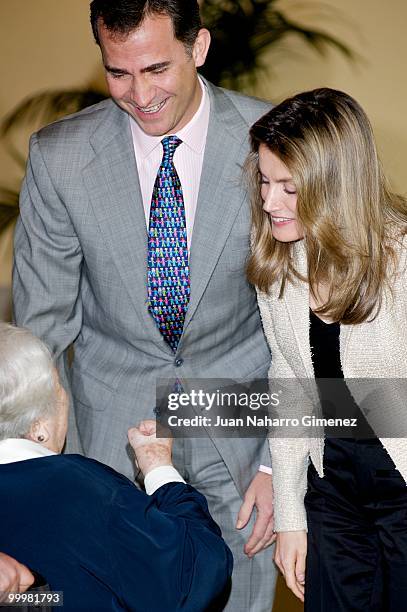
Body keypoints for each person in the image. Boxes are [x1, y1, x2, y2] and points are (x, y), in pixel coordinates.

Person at [13, 1, 277, 609]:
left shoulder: (274, 142)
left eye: (157, 68)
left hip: (241, 440)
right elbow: (40, 335)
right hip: (107, 447)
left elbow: (304, 332)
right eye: (118, 73)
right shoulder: (60, 157)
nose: (140, 94)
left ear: (200, 47)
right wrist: (42, 478)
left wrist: (275, 468)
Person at [247, 86, 407, 610]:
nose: (269, 202)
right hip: (334, 490)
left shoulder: (399, 259)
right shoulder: (279, 263)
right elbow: (288, 385)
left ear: (334, 185)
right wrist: (292, 516)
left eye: (288, 187)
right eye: (265, 182)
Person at [0, 322, 233, 611]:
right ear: (38, 426)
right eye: (59, 390)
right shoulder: (84, 490)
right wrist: (161, 470)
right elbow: (195, 576)